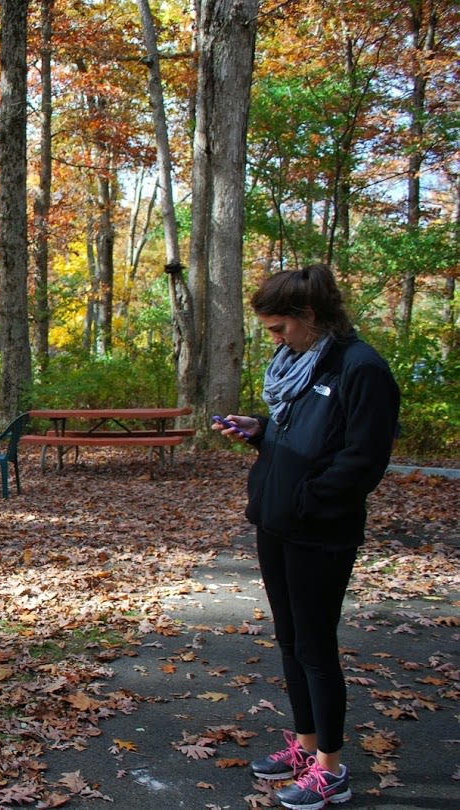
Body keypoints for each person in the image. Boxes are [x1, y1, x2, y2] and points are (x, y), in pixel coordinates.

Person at [213, 264, 400, 810]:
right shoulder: (299, 361)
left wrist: (308, 498)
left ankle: (331, 771)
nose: (274, 339)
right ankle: (304, 744)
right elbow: (302, 434)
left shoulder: (361, 368)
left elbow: (364, 459)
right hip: (276, 522)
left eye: (278, 328)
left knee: (317, 648)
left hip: (320, 531)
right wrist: (260, 429)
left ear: (309, 316)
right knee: (291, 641)